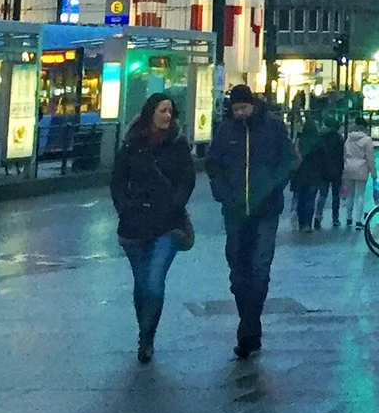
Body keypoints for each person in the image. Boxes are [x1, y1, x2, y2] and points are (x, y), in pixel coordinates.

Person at [208, 84, 296, 359]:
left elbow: (289, 160)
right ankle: (250, 324)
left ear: (253, 105)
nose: (240, 113)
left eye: (243, 108)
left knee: (260, 267)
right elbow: (213, 165)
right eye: (235, 109)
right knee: (238, 270)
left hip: (266, 210)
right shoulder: (226, 131)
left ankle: (247, 329)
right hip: (235, 212)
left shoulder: (273, 128)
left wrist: (272, 185)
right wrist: (223, 193)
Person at [109, 92, 198, 362]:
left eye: (170, 111)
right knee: (141, 285)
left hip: (167, 225)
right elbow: (117, 181)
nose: (167, 116)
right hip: (134, 225)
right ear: (151, 113)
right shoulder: (131, 144)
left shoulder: (178, 145)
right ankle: (144, 332)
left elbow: (187, 180)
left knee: (155, 281)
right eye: (163, 110)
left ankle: (147, 337)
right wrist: (124, 208)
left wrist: (174, 204)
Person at [291, 115, 338, 232]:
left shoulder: (299, 141)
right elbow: (324, 159)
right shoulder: (319, 141)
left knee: (301, 198)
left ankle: (301, 222)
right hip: (314, 174)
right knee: (310, 199)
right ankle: (308, 224)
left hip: (300, 174)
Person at [338, 118, 375, 229]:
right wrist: (373, 172)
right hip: (361, 168)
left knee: (349, 195)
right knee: (360, 195)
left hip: (348, 167)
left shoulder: (348, 139)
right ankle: (358, 221)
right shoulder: (367, 140)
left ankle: (348, 218)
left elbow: (344, 155)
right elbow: (370, 157)